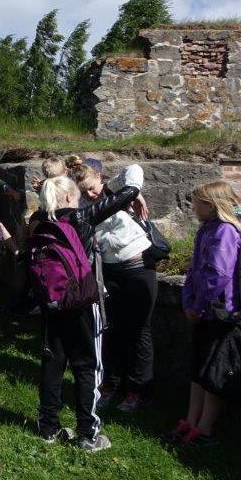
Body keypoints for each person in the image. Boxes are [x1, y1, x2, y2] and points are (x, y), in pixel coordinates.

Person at [32, 166, 142, 453]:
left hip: (51, 303)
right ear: (70, 195)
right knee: (87, 367)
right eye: (78, 194)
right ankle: (87, 433)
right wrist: (135, 191)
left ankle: (48, 427)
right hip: (82, 301)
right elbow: (127, 192)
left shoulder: (38, 220)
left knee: (53, 363)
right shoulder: (81, 217)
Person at [169, 181, 241, 446]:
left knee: (213, 372)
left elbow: (217, 274)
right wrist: (190, 301)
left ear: (211, 205)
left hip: (222, 313)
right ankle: (191, 421)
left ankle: (204, 429)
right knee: (199, 369)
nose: (192, 207)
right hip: (207, 311)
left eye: (196, 203)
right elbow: (195, 272)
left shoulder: (225, 231)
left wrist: (197, 306)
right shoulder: (209, 229)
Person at [71, 160, 156, 412]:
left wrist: (134, 192)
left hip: (138, 267)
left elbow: (134, 169)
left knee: (140, 331)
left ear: (100, 177)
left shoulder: (110, 190)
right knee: (113, 330)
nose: (90, 194)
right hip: (109, 270)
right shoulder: (83, 205)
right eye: (84, 190)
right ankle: (111, 384)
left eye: (92, 187)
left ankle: (139, 391)